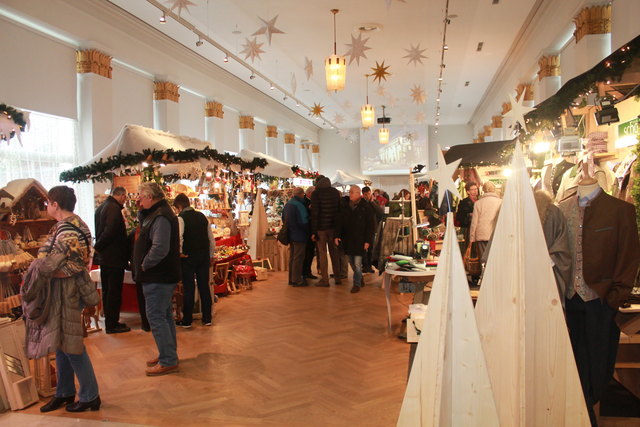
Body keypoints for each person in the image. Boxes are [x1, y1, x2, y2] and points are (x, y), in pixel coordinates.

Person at [558, 179, 640, 426]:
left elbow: (629, 256)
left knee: (600, 362)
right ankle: (581, 415)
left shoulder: (620, 210)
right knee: (571, 361)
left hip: (601, 299)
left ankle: (589, 406)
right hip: (568, 299)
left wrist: (616, 296)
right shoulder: (562, 209)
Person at [22, 186, 101, 413]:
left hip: (66, 292)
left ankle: (90, 396)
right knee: (61, 343)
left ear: (55, 204)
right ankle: (65, 392)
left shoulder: (67, 229)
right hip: (63, 291)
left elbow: (73, 266)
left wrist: (40, 270)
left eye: (47, 203)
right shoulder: (74, 225)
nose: (46, 207)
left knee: (71, 345)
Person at [132, 182, 181, 376]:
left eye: (141, 197)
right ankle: (167, 354)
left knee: (157, 317)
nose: (139, 200)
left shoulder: (161, 217)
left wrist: (144, 264)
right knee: (164, 316)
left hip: (158, 275)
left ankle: (168, 359)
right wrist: (140, 210)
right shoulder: (157, 213)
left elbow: (160, 247)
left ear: (150, 197)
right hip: (160, 274)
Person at [173, 193, 215, 328]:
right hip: (203, 256)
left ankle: (187, 320)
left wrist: (179, 253)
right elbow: (210, 238)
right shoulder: (202, 216)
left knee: (189, 287)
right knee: (204, 286)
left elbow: (179, 237)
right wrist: (210, 254)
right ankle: (207, 318)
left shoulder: (181, 218)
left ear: (179, 206)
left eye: (176, 208)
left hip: (188, 257)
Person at [94, 186, 130, 334]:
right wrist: (98, 246)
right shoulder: (113, 209)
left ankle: (110, 321)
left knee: (108, 291)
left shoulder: (102, 206)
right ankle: (112, 323)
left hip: (105, 258)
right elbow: (110, 231)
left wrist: (99, 248)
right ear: (121, 195)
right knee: (113, 292)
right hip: (114, 257)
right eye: (125, 197)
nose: (125, 200)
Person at [335, 186, 375, 294]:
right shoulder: (346, 206)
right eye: (350, 192)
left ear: (358, 194)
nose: (350, 194)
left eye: (352, 192)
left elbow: (370, 226)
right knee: (351, 261)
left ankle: (356, 284)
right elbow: (340, 222)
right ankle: (359, 278)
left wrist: (368, 241)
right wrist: (337, 235)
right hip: (348, 240)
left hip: (360, 240)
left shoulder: (366, 207)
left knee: (357, 264)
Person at [310, 176, 342, 287]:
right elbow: (339, 211)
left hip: (321, 229)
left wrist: (313, 231)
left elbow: (315, 214)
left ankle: (325, 279)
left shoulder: (316, 193)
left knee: (322, 253)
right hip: (333, 228)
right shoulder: (335, 192)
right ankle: (338, 277)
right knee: (334, 253)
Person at [283, 187, 310, 287]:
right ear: (301, 194)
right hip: (299, 235)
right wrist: (308, 231)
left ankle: (291, 278)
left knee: (292, 257)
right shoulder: (299, 205)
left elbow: (283, 219)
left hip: (291, 234)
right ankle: (297, 279)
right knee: (298, 258)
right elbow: (304, 221)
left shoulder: (288, 204)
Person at [469, 181, 502, 262]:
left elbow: (474, 222)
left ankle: (484, 273)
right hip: (495, 233)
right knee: (495, 258)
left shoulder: (478, 203)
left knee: (484, 258)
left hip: (481, 234)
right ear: (494, 189)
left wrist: (472, 238)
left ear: (483, 190)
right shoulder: (500, 202)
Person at [361, 186, 383, 273]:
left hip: (373, 228)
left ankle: (369, 265)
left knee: (371, 248)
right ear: (363, 194)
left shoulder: (375, 202)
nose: (367, 196)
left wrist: (372, 202)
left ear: (371, 193)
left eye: (368, 194)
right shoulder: (361, 203)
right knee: (363, 248)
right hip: (363, 228)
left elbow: (380, 212)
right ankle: (364, 265)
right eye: (365, 194)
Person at [455, 182, 479, 253]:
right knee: (469, 248)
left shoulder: (480, 201)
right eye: (473, 189)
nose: (475, 191)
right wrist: (469, 215)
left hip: (478, 228)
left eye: (476, 189)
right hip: (467, 228)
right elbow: (459, 216)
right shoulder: (464, 202)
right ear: (468, 191)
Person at [302, 186, 317, 280]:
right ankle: (305, 271)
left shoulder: (308, 201)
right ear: (310, 193)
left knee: (310, 253)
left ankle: (307, 271)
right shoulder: (305, 202)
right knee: (308, 253)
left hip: (310, 231)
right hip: (307, 231)